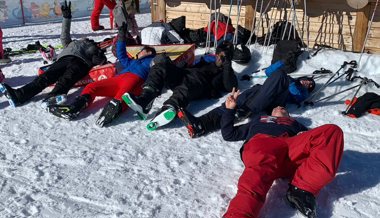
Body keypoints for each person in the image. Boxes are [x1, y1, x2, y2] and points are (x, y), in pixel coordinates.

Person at [221, 90, 344, 218]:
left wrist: (304, 136)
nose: (280, 107)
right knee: (255, 180)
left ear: (289, 116)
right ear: (271, 113)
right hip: (263, 146)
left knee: (331, 131)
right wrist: (229, 110)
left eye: (283, 108)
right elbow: (229, 134)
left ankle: (302, 190)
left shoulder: (296, 125)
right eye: (277, 106)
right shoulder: (259, 120)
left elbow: (318, 144)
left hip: (290, 150)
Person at [0, 1, 107, 108]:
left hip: (81, 62)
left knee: (67, 79)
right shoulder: (71, 43)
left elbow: (100, 61)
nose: (88, 39)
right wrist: (66, 18)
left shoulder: (96, 48)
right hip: (64, 58)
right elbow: (64, 35)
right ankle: (18, 96)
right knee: (45, 77)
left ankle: (54, 96)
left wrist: (98, 55)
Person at [48, 22, 156, 127]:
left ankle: (110, 113)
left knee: (122, 97)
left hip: (135, 79)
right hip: (117, 80)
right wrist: (121, 37)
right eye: (142, 50)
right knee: (91, 87)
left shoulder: (152, 61)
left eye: (144, 50)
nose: (141, 51)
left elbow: (159, 72)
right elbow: (121, 54)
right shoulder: (130, 61)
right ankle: (74, 108)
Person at [177, 61, 316, 138]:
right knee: (230, 104)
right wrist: (284, 61)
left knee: (280, 76)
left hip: (273, 102)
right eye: (308, 81)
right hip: (257, 93)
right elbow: (269, 72)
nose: (308, 84)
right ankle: (200, 125)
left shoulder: (299, 92)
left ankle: (244, 111)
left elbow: (296, 94)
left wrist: (291, 81)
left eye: (310, 86)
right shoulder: (287, 78)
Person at [122, 41, 238, 128]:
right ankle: (145, 100)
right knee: (160, 64)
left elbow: (231, 86)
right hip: (183, 75)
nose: (219, 58)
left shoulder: (225, 72)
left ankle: (170, 107)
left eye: (223, 57)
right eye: (218, 54)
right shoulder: (206, 61)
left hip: (197, 84)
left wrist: (227, 65)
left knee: (188, 85)